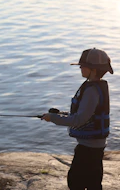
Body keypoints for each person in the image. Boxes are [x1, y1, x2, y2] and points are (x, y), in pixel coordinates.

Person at [41, 48, 113, 190]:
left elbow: (79, 120)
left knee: (75, 182)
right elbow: (86, 115)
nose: (80, 67)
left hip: (89, 148)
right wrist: (61, 114)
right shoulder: (95, 87)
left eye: (83, 65)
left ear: (93, 69)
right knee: (92, 183)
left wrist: (53, 118)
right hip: (94, 146)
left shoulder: (92, 91)